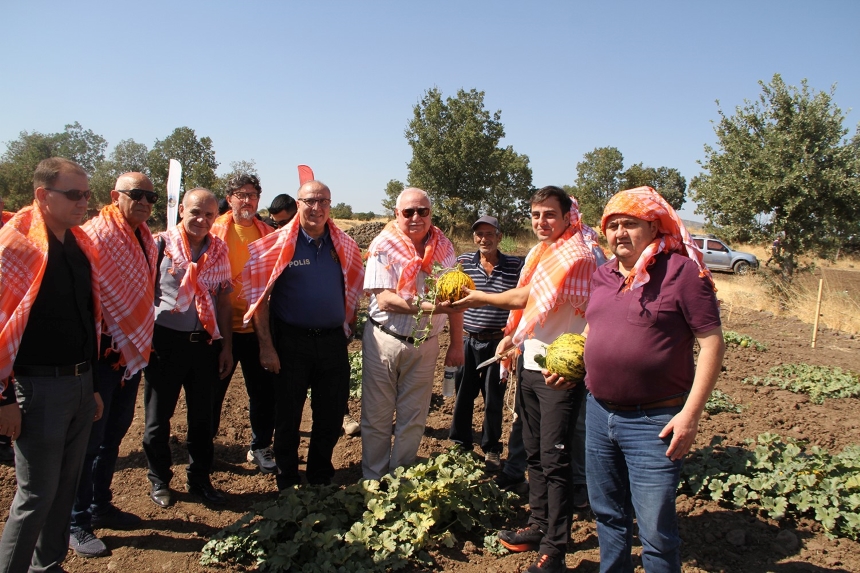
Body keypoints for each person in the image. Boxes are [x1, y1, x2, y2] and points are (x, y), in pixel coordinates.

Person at [582, 186, 725, 572]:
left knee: (656, 532)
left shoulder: (682, 273)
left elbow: (712, 344)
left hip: (654, 423)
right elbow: (594, 331)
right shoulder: (603, 275)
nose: (619, 234)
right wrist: (573, 364)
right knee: (608, 516)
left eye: (630, 224)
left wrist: (690, 415)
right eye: (612, 226)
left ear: (653, 227)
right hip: (598, 413)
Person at [455, 186, 597, 573]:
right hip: (533, 365)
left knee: (555, 459)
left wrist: (476, 297)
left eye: (549, 214)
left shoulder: (577, 255)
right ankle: (538, 523)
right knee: (535, 454)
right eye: (535, 215)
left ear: (569, 216)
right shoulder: (542, 251)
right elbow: (531, 313)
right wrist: (510, 338)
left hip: (559, 375)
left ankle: (555, 547)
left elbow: (524, 299)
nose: (541, 222)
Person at [0, 157, 104, 573]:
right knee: (36, 495)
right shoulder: (15, 246)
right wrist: (3, 398)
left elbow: (86, 319)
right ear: (43, 196)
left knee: (64, 489)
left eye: (86, 195)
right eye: (74, 194)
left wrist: (91, 383)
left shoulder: (79, 245)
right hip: (36, 388)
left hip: (78, 383)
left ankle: (49, 566)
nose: (83, 203)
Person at [244, 180, 364, 489]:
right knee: (288, 415)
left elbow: (353, 288)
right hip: (291, 343)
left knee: (330, 412)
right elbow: (260, 300)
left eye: (323, 201)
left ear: (329, 205)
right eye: (309, 201)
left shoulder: (343, 245)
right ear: (298, 205)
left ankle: (320, 476)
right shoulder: (280, 244)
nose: (316, 207)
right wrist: (267, 348)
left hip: (332, 342)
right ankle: (287, 479)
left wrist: (347, 325)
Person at [68, 173, 158, 557]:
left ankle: (100, 504)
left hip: (128, 355)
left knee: (113, 436)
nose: (143, 201)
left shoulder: (144, 238)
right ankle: (76, 520)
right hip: (102, 356)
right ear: (114, 196)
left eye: (149, 196)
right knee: (88, 442)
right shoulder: (95, 236)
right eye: (135, 194)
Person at [360, 187, 464, 480]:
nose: (416, 217)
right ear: (397, 214)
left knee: (413, 418)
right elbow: (385, 300)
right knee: (377, 416)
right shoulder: (384, 245)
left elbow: (456, 299)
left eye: (423, 211)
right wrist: (435, 306)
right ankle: (373, 478)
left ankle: (400, 478)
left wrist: (456, 344)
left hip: (426, 344)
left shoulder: (444, 247)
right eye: (409, 212)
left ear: (431, 214)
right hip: (385, 341)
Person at [143, 188, 233, 508]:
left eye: (209, 215)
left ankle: (200, 479)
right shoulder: (160, 245)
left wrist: (225, 346)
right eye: (196, 212)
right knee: (158, 418)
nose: (202, 220)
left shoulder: (219, 250)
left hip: (205, 344)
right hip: (164, 344)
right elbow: (143, 294)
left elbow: (223, 300)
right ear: (182, 209)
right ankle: (159, 479)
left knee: (202, 418)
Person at [210, 174, 277, 475]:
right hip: (217, 328)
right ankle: (204, 448)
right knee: (210, 393)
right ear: (230, 198)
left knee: (263, 394)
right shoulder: (213, 232)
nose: (247, 200)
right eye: (241, 194)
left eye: (252, 195)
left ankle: (260, 446)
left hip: (257, 328)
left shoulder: (268, 234)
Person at [448, 215, 523, 472]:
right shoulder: (462, 263)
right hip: (468, 339)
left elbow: (523, 297)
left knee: (493, 399)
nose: (484, 239)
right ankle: (460, 445)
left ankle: (491, 449)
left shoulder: (515, 265)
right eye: (479, 234)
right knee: (463, 395)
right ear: (473, 238)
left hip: (498, 343)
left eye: (490, 234)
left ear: (500, 237)